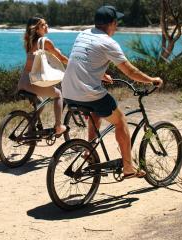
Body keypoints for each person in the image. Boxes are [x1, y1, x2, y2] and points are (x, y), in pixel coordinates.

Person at [62, 6, 163, 179]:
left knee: (96, 111)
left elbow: (82, 60)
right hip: (87, 93)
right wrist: (151, 79)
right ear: (112, 23)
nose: (116, 27)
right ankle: (128, 168)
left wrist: (101, 74)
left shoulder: (83, 34)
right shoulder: (108, 42)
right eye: (116, 23)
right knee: (121, 120)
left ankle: (89, 151)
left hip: (68, 92)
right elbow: (130, 72)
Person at [18, 16, 69, 135]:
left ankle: (31, 131)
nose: (46, 26)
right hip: (33, 82)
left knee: (40, 104)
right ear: (36, 29)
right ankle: (58, 126)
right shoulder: (45, 41)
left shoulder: (29, 42)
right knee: (58, 94)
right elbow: (60, 58)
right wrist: (73, 64)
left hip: (23, 82)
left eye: (46, 24)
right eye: (43, 25)